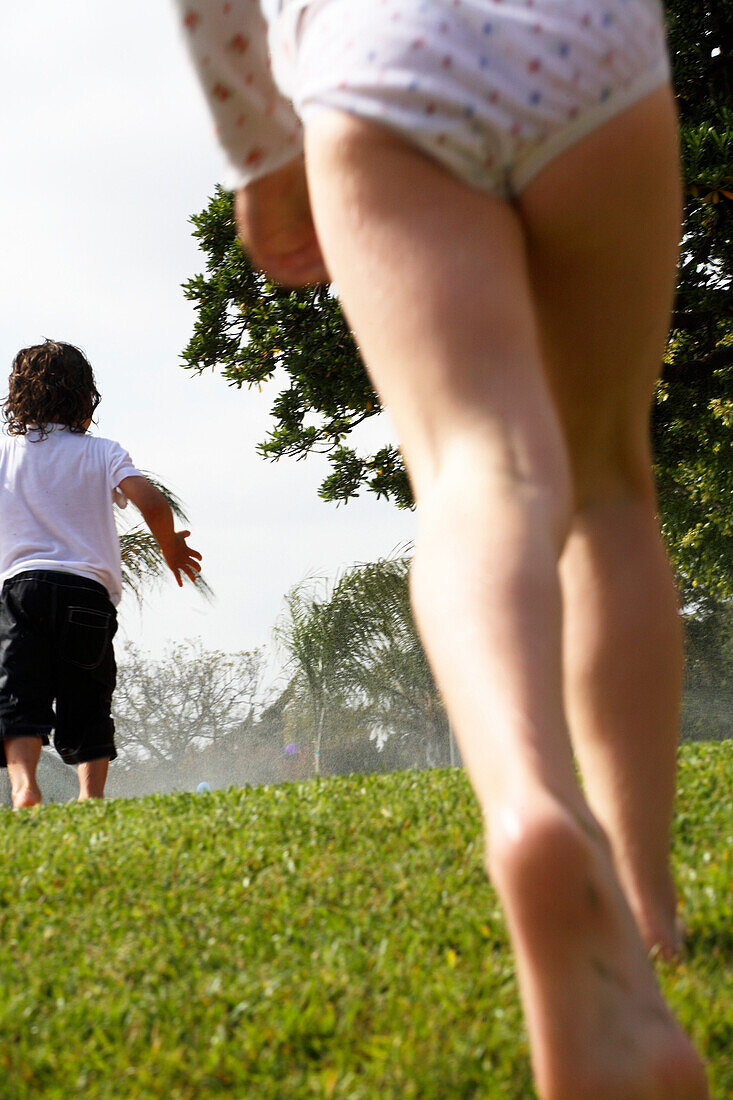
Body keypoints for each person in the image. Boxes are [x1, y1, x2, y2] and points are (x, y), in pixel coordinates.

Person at [173, 2, 709, 1096]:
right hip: (589, 39)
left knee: (478, 470)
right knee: (608, 482)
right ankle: (646, 908)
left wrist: (263, 152)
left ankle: (528, 805)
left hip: (378, 58)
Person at [0, 340, 201, 808]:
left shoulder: (7, 455)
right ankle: (91, 796)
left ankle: (24, 788)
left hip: (22, 590)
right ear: (85, 402)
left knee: (18, 694)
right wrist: (170, 547)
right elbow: (151, 501)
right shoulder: (102, 452)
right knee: (87, 695)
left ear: (17, 400)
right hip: (87, 596)